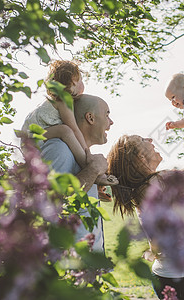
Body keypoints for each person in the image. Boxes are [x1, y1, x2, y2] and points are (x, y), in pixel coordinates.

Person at [107, 98, 184, 299]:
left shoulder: (147, 187)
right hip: (180, 275)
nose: (151, 141)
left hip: (172, 273)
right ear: (139, 159)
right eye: (143, 141)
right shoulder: (161, 182)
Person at [21, 60, 116, 189]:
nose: (83, 85)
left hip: (32, 139)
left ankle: (92, 170)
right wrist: (89, 158)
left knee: (65, 131)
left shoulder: (58, 100)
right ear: (73, 82)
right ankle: (87, 164)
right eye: (81, 80)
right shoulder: (64, 100)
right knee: (65, 131)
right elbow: (74, 130)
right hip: (33, 138)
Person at [40, 93, 115, 252]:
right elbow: (55, 205)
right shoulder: (59, 148)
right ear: (90, 118)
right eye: (107, 115)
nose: (111, 122)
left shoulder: (83, 158)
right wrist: (93, 170)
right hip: (68, 267)